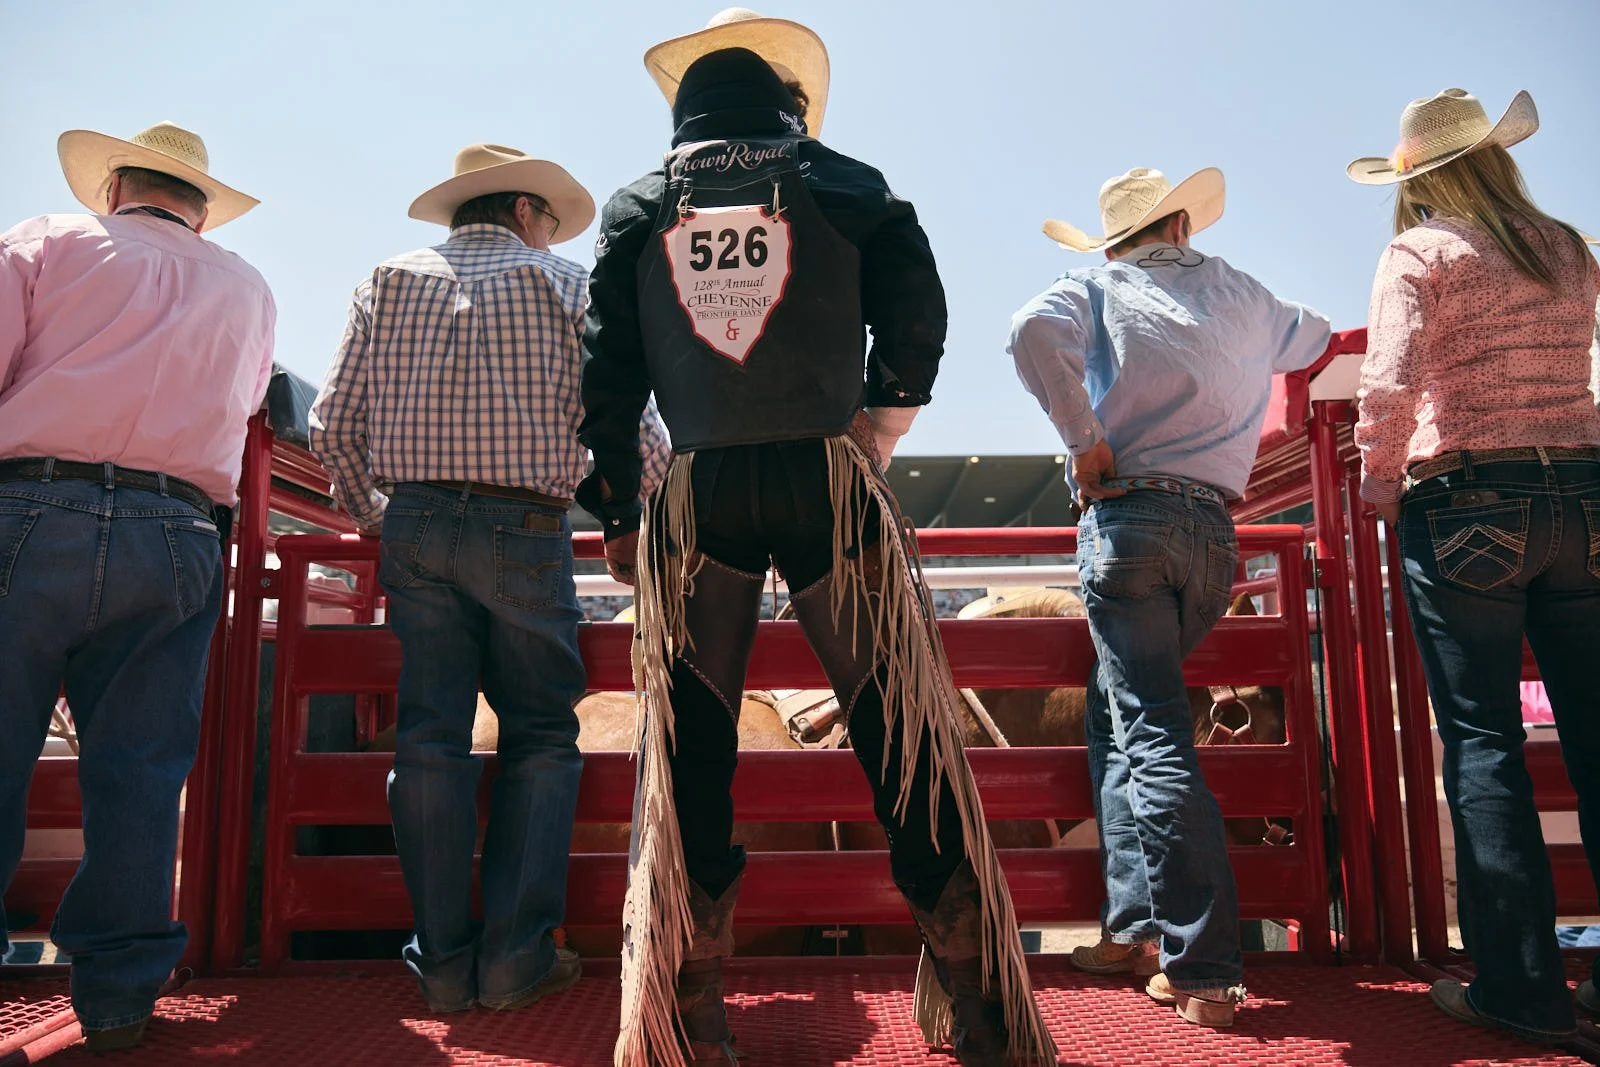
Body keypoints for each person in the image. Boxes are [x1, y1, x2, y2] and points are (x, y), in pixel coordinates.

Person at [579, 13, 1055, 1066]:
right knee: (901, 731)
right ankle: (983, 1008)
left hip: (699, 489)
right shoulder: (847, 183)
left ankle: (690, 1017)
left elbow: (605, 372)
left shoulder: (639, 205)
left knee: (693, 749)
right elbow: (918, 310)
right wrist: (881, 419)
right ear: (787, 105)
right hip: (828, 482)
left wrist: (619, 509)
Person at [309, 144, 670, 1014]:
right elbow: (631, 430)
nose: (549, 232)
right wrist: (635, 510)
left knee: (429, 735)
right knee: (541, 735)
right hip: (525, 524)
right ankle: (514, 958)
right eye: (546, 218)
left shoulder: (387, 280)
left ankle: (441, 963)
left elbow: (331, 425)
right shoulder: (563, 284)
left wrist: (372, 514)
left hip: (419, 521)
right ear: (522, 211)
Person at [1009, 167, 1331, 1026]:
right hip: (1213, 535)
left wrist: (1085, 442)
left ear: (1116, 239)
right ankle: (1131, 927)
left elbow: (1030, 330)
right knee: (1120, 713)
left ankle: (1205, 966)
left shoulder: (1096, 283)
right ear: (1184, 223)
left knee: (1147, 729)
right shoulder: (1246, 292)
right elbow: (1319, 336)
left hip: (1128, 523)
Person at [0, 121, 274, 1051]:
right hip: (179, 529)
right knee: (142, 771)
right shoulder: (247, 287)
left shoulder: (43, 241)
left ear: (114, 185)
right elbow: (243, 413)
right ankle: (117, 995)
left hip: (31, 513)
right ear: (199, 208)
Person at [1349, 87, 1600, 1042]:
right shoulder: (1568, 246)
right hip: (1585, 498)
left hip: (1467, 503)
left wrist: (1379, 486)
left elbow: (1389, 381)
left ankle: (1522, 992)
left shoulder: (1420, 252)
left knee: (1486, 744)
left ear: (1417, 179)